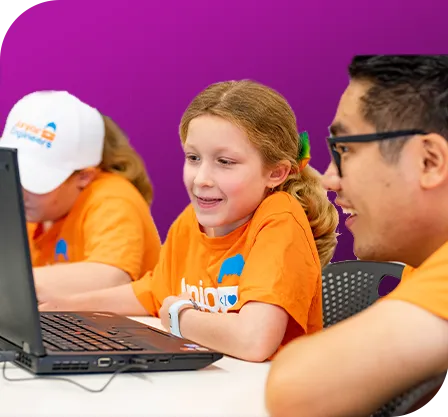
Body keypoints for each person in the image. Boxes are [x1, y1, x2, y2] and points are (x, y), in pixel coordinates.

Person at [38, 80, 339, 362]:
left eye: (225, 162)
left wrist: (179, 315)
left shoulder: (280, 220)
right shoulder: (189, 222)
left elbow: (254, 341)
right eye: (193, 158)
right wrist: (66, 307)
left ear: (276, 173)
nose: (201, 179)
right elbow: (151, 293)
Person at [265, 55, 448, 417]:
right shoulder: (425, 266)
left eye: (345, 149)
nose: (330, 179)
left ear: (429, 161)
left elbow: (298, 391)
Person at [0, 90, 161, 300]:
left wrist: (10, 281)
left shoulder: (113, 199)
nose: (20, 191)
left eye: (34, 180)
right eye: (15, 172)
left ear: (84, 176)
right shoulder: (37, 206)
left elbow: (111, 276)